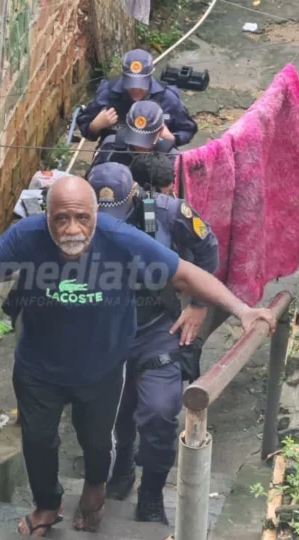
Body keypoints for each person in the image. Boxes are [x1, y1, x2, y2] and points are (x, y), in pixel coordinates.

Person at [0, 175, 276, 538]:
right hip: (38, 368)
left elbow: (187, 274)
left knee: (98, 442)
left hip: (102, 370)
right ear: (45, 216)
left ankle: (95, 491)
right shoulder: (26, 236)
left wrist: (242, 311)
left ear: (96, 216)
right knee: (37, 441)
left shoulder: (122, 239)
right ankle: (47, 506)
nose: (72, 229)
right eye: (60, 219)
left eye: (82, 218)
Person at [88, 160, 217, 524]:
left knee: (160, 412)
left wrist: (199, 304)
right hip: (103, 330)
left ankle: (150, 493)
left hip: (156, 326)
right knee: (112, 411)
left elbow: (208, 248)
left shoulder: (168, 213)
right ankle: (123, 466)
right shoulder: (74, 218)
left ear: (134, 196)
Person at [77, 49, 198, 149]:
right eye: (131, 85)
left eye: (140, 85)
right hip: (116, 152)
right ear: (123, 75)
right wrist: (95, 126)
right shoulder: (107, 93)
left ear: (151, 74)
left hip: (155, 157)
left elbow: (188, 130)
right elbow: (86, 127)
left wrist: (172, 138)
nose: (136, 90)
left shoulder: (168, 98)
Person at [90, 100, 181, 169]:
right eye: (135, 137)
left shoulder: (172, 158)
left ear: (160, 130)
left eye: (146, 139)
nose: (139, 146)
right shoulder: (111, 145)